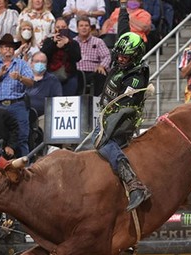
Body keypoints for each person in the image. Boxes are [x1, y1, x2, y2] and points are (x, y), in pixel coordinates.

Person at [77, 0, 151, 212]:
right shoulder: (123, 60)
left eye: (125, 56)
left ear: (135, 56)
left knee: (103, 145)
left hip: (122, 120)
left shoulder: (136, 77)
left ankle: (134, 184)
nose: (120, 58)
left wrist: (105, 132)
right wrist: (124, 9)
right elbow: (124, 32)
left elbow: (124, 108)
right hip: (107, 114)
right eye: (119, 54)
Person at [0, 33, 34, 156]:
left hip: (17, 104)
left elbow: (31, 82)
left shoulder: (21, 64)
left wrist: (20, 78)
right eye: (5, 47)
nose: (8, 50)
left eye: (10, 47)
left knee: (21, 138)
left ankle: (24, 168)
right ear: (0, 49)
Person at [41, 17, 81, 96]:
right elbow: (43, 56)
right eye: (58, 27)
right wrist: (53, 43)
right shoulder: (49, 41)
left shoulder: (73, 43)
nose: (60, 29)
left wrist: (67, 44)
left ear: (67, 28)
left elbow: (77, 57)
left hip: (69, 76)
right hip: (51, 76)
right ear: (54, 28)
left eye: (63, 27)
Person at [74, 15, 111, 96]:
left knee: (101, 75)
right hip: (77, 71)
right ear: (77, 29)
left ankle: (97, 101)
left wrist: (102, 66)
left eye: (86, 26)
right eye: (81, 26)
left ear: (90, 28)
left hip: (93, 71)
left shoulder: (98, 41)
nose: (84, 28)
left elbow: (107, 56)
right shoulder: (73, 42)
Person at [25, 52, 62, 129]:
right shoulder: (24, 78)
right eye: (37, 61)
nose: (40, 64)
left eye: (43, 62)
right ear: (31, 63)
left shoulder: (53, 80)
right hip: (24, 113)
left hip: (44, 116)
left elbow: (58, 100)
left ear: (46, 64)